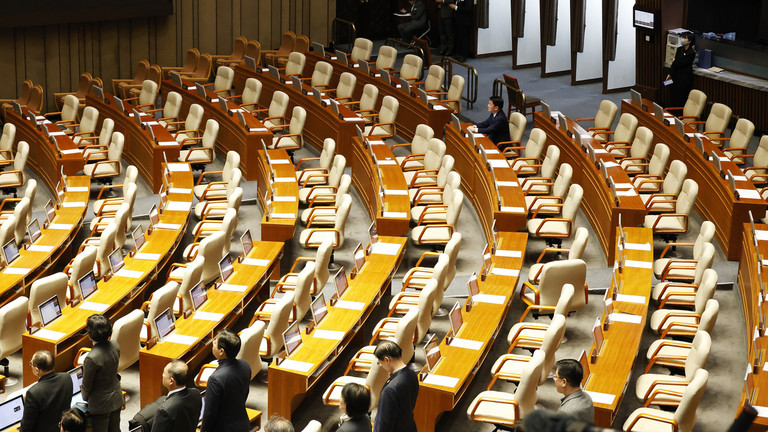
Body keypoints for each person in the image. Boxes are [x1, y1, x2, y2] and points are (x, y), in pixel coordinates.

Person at [200, 329, 251, 432]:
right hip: (243, 423)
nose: (213, 345)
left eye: (214, 343)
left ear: (221, 351)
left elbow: (210, 412)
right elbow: (244, 394)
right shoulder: (245, 365)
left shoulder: (215, 379)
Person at [82, 314, 122, 432]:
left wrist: (84, 397)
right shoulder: (115, 345)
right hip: (116, 397)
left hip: (100, 404)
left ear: (90, 335)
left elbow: (87, 385)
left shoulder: (91, 358)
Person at [20, 350, 73, 432]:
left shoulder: (33, 392)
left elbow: (27, 425)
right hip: (64, 426)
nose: (31, 365)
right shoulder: (66, 377)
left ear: (37, 370)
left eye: (31, 363)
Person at [373, 341, 418, 432]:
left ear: (387, 360)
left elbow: (384, 424)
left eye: (380, 363)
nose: (381, 366)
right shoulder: (412, 374)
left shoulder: (390, 390)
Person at [151, 360, 203, 432]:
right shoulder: (196, 393)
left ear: (171, 381)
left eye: (164, 373)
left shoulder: (164, 410)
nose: (162, 375)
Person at [553, 359, 594, 423]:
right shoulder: (587, 396)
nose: (554, 380)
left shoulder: (565, 412)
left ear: (564, 382)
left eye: (555, 377)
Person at [666, 31, 695, 111]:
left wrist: (675, 61)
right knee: (672, 95)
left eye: (685, 38)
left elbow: (681, 63)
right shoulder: (679, 49)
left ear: (689, 41)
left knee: (681, 98)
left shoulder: (691, 52)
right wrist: (670, 74)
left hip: (683, 80)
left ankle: (678, 114)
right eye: (683, 37)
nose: (683, 39)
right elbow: (674, 64)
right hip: (674, 77)